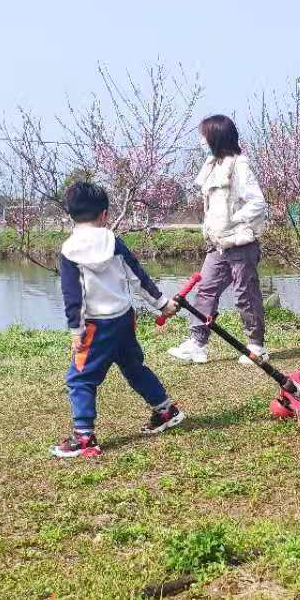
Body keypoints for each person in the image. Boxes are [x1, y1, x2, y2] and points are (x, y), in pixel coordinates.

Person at [52, 181, 184, 459]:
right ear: (104, 214)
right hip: (124, 320)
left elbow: (72, 296)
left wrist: (76, 331)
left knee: (80, 380)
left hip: (95, 326)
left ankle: (85, 436)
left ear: (72, 215)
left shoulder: (69, 250)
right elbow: (138, 277)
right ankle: (165, 410)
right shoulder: (113, 241)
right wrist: (162, 304)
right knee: (134, 367)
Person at [168, 115, 269, 365]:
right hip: (217, 244)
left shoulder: (239, 164)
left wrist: (235, 219)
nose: (201, 141)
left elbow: (257, 201)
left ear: (216, 136)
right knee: (206, 290)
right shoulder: (212, 165)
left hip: (241, 243)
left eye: (204, 136)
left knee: (245, 294)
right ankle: (197, 344)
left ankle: (256, 345)